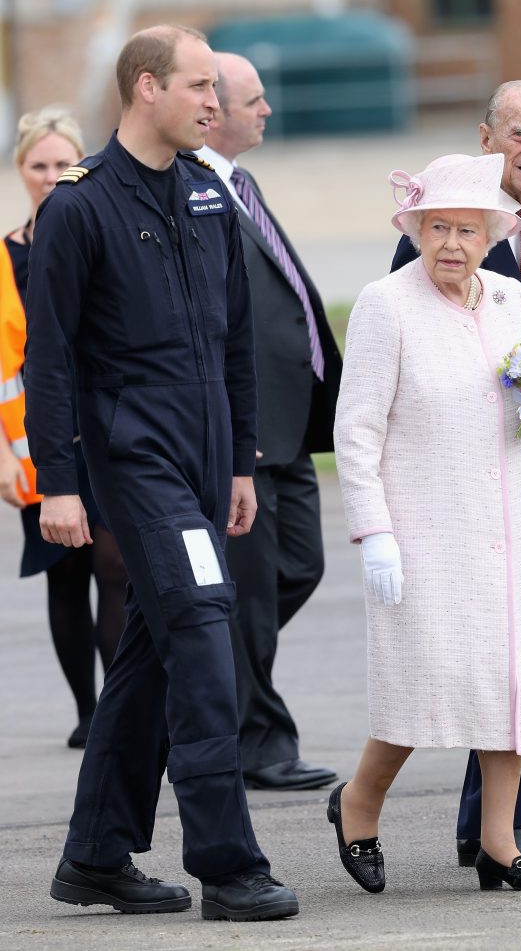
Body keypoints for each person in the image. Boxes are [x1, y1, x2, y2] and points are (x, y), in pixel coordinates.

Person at [23, 25, 298, 921]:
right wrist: (58, 483)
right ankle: (229, 863)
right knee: (204, 636)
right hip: (134, 464)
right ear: (146, 88)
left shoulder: (208, 195)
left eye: (217, 88)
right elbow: (53, 360)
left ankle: (97, 855)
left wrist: (243, 464)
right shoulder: (80, 206)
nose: (214, 102)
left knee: (151, 649)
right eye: (199, 86)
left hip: (207, 463)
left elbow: (234, 346)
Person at [331, 151, 521, 894]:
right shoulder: (385, 303)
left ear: (493, 233)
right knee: (418, 685)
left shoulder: (507, 300)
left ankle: (498, 841)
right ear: (417, 228)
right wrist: (374, 534)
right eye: (438, 228)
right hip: (418, 530)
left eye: (467, 229)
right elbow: (355, 432)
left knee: (509, 682)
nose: (452, 244)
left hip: (499, 528)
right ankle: (359, 804)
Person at [391, 80, 521, 868]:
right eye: (517, 134)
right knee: (477, 643)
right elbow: (412, 330)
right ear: (484, 137)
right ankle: (461, 816)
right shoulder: (448, 215)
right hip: (463, 462)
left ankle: (511, 823)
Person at [197, 52, 341, 791]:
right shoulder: (192, 191)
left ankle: (195, 677)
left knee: (299, 567)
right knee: (249, 594)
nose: (267, 111)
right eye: (254, 100)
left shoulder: (239, 183)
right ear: (212, 109)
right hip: (244, 433)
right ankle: (259, 742)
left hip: (290, 422)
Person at [0, 106, 127, 749]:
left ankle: (120, 708)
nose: (51, 177)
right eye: (38, 165)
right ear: (20, 171)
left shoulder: (96, 235)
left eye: (62, 164)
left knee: (114, 564)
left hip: (107, 432)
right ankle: (88, 708)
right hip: (39, 444)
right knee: (66, 574)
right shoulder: (3, 259)